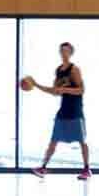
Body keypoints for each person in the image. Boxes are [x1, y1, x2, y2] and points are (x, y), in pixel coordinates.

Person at [32, 42, 90, 180]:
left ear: (71, 53)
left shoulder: (74, 69)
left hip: (75, 110)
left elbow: (81, 90)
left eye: (66, 50)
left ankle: (87, 169)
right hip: (63, 110)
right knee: (53, 141)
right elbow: (54, 91)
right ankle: (43, 167)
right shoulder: (58, 70)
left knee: (82, 141)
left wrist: (65, 90)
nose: (63, 53)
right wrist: (36, 85)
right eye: (61, 50)